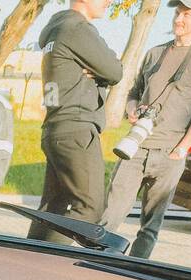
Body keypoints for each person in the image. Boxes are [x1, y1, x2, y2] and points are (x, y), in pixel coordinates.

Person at [100, 0, 191, 258]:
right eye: (177, 12)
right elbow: (134, 92)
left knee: (149, 227)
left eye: (186, 14)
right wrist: (132, 109)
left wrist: (182, 148)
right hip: (136, 147)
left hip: (170, 153)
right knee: (109, 218)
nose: (178, 19)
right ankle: (96, 263)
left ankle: (133, 274)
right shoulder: (155, 53)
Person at [28, 0, 123, 243]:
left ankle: (29, 264)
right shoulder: (78, 29)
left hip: (55, 128)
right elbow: (114, 70)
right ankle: (55, 269)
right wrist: (101, 74)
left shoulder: (56, 30)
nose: (109, 2)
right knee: (90, 208)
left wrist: (97, 71)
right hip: (77, 129)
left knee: (53, 208)